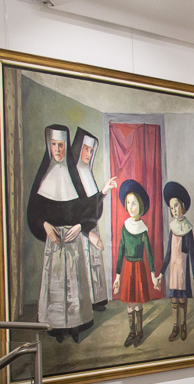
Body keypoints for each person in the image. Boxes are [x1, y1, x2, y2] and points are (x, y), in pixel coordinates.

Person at [26, 124, 114, 343]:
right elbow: (34, 212)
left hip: (73, 241)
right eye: (54, 145)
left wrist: (81, 227)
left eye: (61, 145)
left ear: (66, 146)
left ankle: (75, 327)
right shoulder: (44, 177)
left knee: (74, 287)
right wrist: (45, 225)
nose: (58, 149)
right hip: (54, 241)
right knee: (56, 287)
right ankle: (57, 329)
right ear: (49, 146)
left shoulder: (74, 177)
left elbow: (87, 211)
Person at [69, 128, 116, 312]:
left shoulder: (87, 172)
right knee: (83, 266)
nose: (89, 154)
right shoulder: (72, 176)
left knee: (94, 264)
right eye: (85, 149)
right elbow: (77, 209)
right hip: (80, 230)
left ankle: (97, 301)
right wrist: (86, 231)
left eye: (91, 150)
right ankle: (85, 303)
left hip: (91, 226)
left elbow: (92, 205)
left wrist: (103, 191)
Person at [112, 179, 161, 347]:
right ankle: (131, 332)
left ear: (140, 205)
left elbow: (149, 254)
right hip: (127, 268)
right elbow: (121, 251)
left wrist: (153, 275)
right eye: (128, 203)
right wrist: (118, 276)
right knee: (129, 303)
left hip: (139, 268)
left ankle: (140, 332)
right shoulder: (125, 227)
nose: (131, 206)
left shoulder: (143, 229)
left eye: (134, 203)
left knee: (137, 302)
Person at [155, 182, 194, 341]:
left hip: (183, 270)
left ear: (183, 206)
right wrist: (161, 273)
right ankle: (175, 325)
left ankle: (184, 324)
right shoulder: (172, 227)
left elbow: (192, 254)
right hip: (173, 270)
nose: (173, 210)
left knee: (182, 299)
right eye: (171, 207)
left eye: (176, 206)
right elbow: (168, 253)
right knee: (174, 299)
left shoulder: (187, 228)